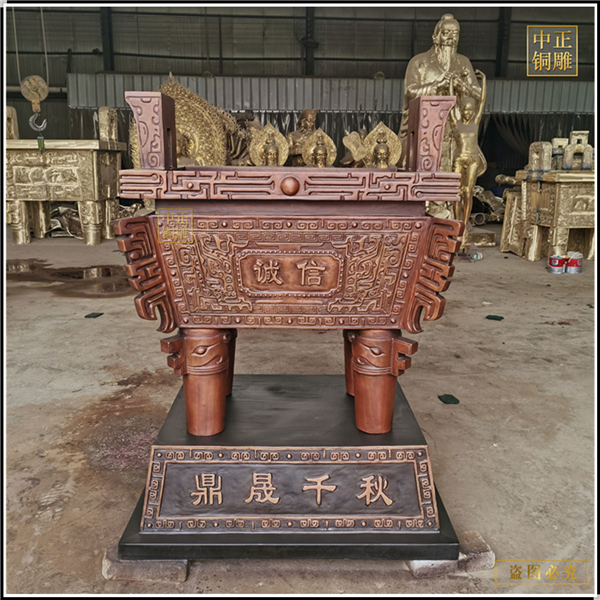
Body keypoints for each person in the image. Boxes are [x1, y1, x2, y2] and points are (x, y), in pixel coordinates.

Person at [399, 14, 481, 171]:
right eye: (446, 33)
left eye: (455, 33)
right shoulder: (419, 62)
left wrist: (463, 87)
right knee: (426, 171)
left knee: (458, 173)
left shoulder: (464, 63)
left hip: (456, 132)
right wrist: (437, 86)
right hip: (426, 129)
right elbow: (410, 92)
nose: (451, 38)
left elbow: (478, 95)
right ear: (435, 36)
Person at [448, 69, 486, 228]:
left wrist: (483, 79)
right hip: (458, 159)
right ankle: (457, 223)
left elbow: (482, 101)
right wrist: (451, 82)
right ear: (462, 110)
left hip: (472, 159)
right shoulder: (455, 123)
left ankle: (464, 226)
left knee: (469, 193)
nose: (469, 113)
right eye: (466, 109)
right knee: (457, 193)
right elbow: (451, 103)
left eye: (471, 110)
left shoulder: (475, 123)